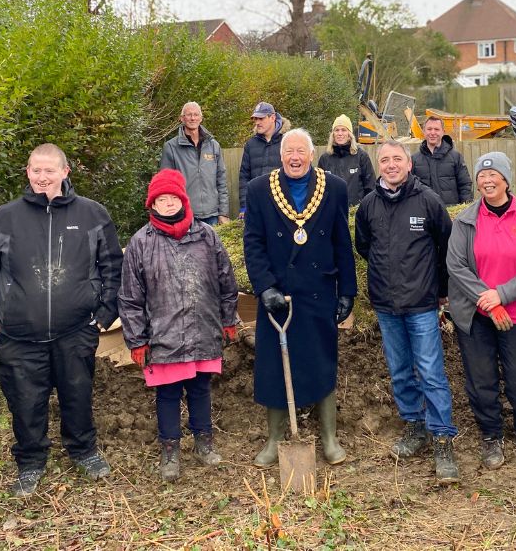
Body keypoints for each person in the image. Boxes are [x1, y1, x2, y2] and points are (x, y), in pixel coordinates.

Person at [0, 144, 123, 497]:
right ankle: (30, 461)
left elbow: (113, 267)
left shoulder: (92, 215)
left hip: (75, 330)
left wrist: (104, 314)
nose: (42, 177)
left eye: (49, 170)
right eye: (35, 170)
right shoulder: (6, 218)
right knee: (25, 401)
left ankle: (83, 450)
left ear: (65, 172)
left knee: (77, 393)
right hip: (19, 334)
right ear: (27, 172)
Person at [243, 128, 358, 467]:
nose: (295, 157)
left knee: (322, 360)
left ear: (311, 154)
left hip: (318, 290)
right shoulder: (259, 190)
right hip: (278, 294)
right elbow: (253, 244)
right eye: (288, 151)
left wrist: (347, 291)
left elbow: (342, 242)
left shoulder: (334, 188)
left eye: (301, 151)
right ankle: (275, 438)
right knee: (274, 365)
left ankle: (329, 438)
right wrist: (265, 287)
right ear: (281, 157)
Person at [119, 169, 239, 482]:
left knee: (200, 390)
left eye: (174, 197)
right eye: (162, 199)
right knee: (168, 394)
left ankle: (204, 443)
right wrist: (137, 340)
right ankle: (170, 451)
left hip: (203, 330)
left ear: (184, 199)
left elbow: (227, 281)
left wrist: (228, 319)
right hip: (163, 337)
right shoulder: (140, 243)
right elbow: (130, 297)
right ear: (152, 204)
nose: (169, 204)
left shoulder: (206, 235)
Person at [354, 141, 459, 483]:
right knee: (400, 371)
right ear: (378, 166)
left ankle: (442, 437)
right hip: (386, 304)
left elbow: (446, 246)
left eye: (397, 159)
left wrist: (441, 291)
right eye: (384, 160)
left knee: (430, 371)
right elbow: (364, 246)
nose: (391, 164)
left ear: (409, 164)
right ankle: (415, 427)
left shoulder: (428, 201)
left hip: (422, 304)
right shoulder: (368, 205)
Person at [447, 152, 516, 470]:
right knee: (482, 380)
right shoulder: (466, 220)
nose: (487, 180)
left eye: (494, 175)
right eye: (481, 175)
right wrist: (487, 301)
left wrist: (502, 295)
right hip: (477, 316)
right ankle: (491, 437)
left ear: (507, 179)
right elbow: (456, 265)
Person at [159, 102, 231, 226]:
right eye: (189, 115)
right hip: (185, 216)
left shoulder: (213, 145)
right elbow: (167, 185)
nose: (193, 118)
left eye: (196, 114)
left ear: (201, 118)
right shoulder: (171, 147)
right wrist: (172, 215)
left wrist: (223, 213)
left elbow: (221, 181)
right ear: (182, 118)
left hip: (212, 215)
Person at [239, 102, 290, 218]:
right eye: (255, 119)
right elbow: (244, 177)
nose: (257, 122)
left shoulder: (287, 141)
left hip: (284, 207)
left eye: (261, 118)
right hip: (257, 206)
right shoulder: (250, 144)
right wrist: (244, 206)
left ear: (272, 117)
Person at [411, 116, 472, 205]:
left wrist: (466, 209)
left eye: (436, 129)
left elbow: (465, 185)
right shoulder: (414, 159)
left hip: (450, 212)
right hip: (425, 212)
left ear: (443, 132)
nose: (432, 132)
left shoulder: (456, 157)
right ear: (424, 131)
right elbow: (410, 188)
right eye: (429, 129)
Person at [318, 114, 375, 206]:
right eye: (337, 130)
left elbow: (370, 188)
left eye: (344, 130)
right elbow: (319, 191)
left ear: (349, 134)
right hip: (332, 213)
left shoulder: (361, 157)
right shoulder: (324, 159)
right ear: (333, 134)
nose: (340, 133)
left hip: (356, 213)